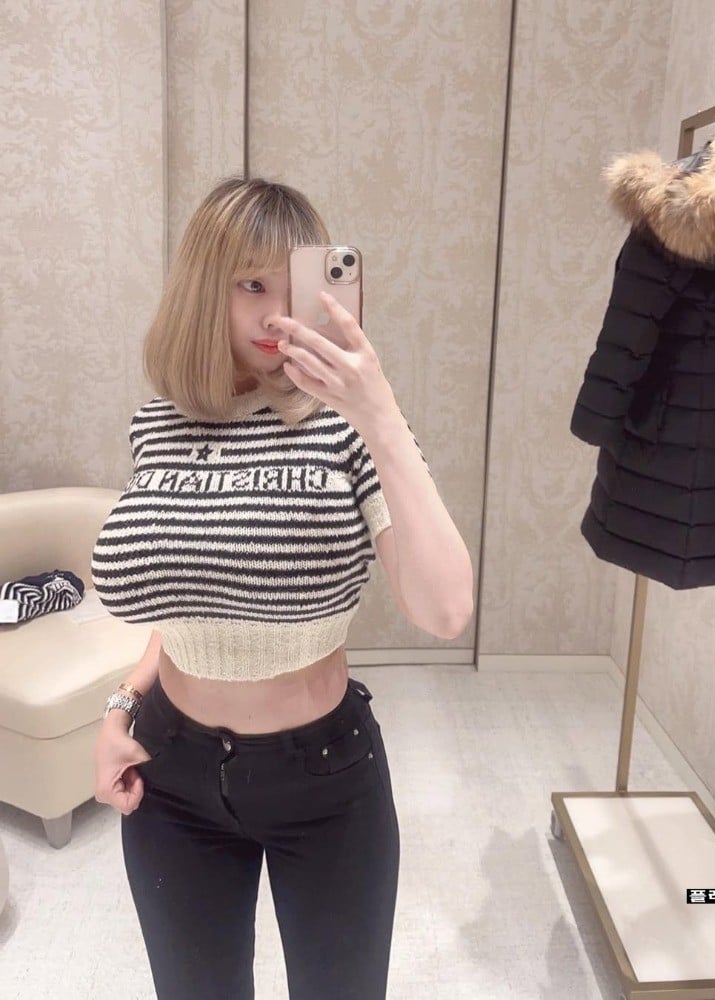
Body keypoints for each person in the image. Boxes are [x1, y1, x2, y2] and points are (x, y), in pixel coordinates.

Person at [90, 177, 473, 1000]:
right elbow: (191, 588)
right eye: (250, 284)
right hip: (171, 773)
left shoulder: (347, 422)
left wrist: (380, 414)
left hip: (324, 776)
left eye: (291, 286)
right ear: (205, 288)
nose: (275, 314)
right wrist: (122, 707)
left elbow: (446, 610)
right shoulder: (158, 421)